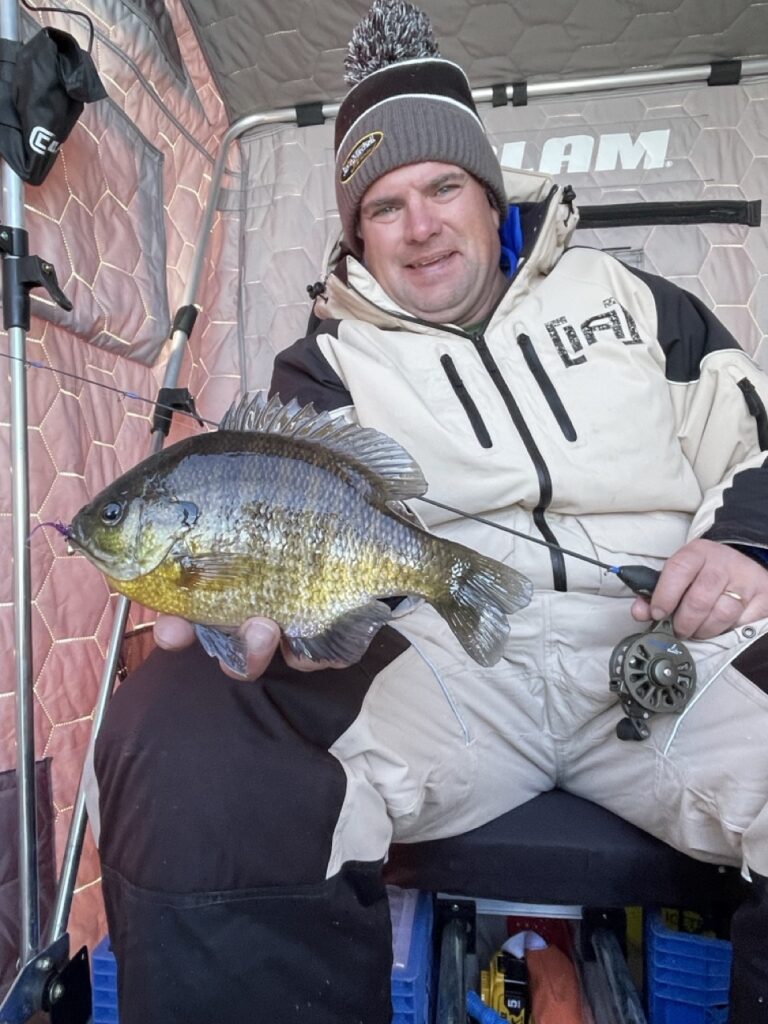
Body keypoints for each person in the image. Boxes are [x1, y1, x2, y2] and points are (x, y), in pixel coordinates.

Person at [90, 2, 768, 1021]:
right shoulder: (319, 369)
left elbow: (755, 440)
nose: (420, 224)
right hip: (439, 661)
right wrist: (296, 628)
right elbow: (303, 561)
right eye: (385, 204)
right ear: (356, 230)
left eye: (444, 186)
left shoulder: (637, 301)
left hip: (674, 645)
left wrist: (743, 545)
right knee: (179, 722)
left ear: (486, 192)